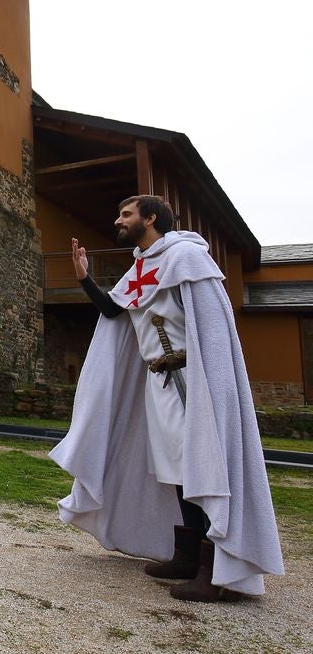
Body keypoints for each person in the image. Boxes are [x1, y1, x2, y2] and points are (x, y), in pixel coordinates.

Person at [51, 195, 284, 602]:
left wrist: (212, 384)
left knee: (202, 467)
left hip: (192, 381)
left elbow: (212, 327)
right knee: (175, 469)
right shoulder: (140, 267)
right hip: (160, 381)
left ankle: (216, 572)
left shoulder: (186, 257)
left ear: (151, 217)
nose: (118, 220)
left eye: (127, 214)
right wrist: (85, 278)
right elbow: (113, 311)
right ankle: (187, 555)